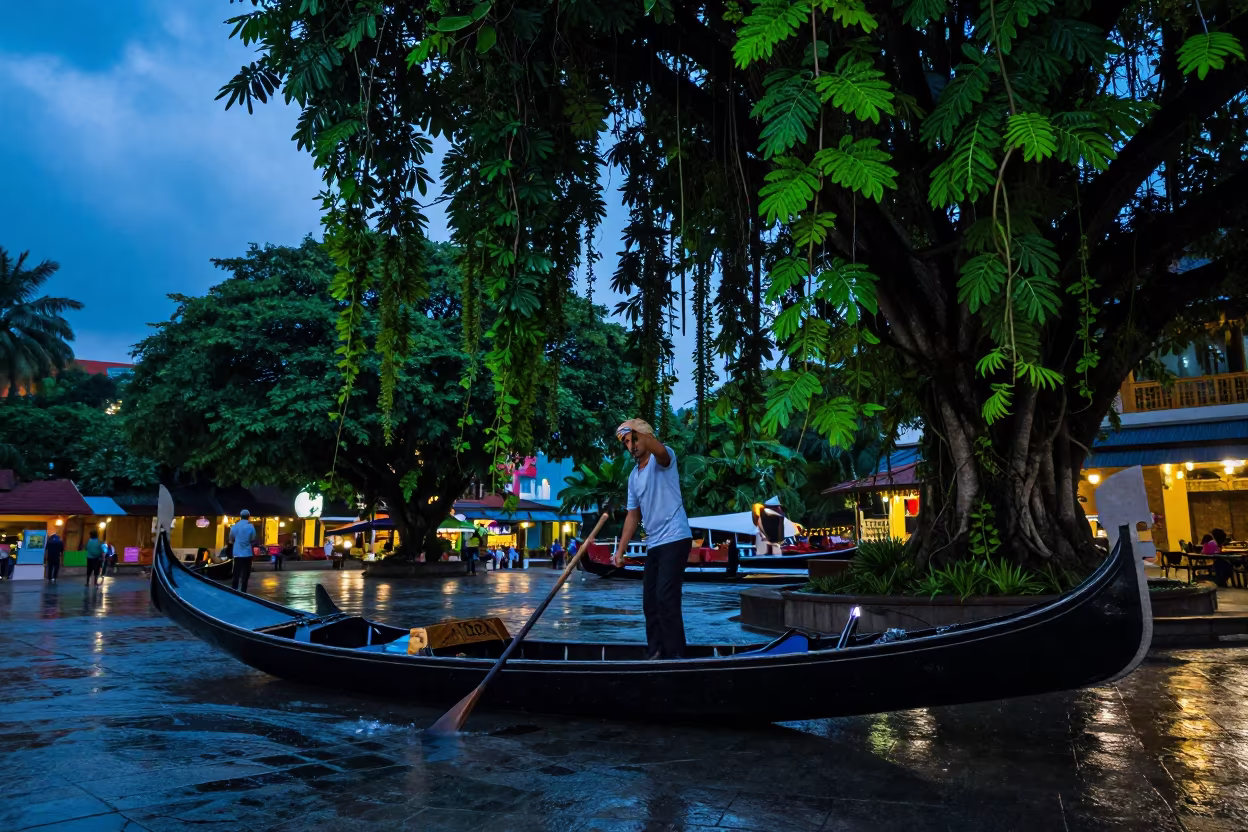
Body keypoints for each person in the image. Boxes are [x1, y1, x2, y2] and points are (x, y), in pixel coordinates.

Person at [612, 418, 692, 660]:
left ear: (643, 435)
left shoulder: (663, 459)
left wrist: (636, 431)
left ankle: (677, 654)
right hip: (655, 543)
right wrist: (620, 550)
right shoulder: (634, 477)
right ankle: (656, 651)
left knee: (666, 597)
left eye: (632, 440)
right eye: (625, 442)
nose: (630, 446)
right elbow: (632, 516)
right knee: (650, 602)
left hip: (676, 537)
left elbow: (657, 448)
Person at [229, 510, 257, 593]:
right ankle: (243, 590)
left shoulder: (235, 526)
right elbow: (253, 538)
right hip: (247, 553)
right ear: (249, 516)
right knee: (245, 574)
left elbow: (231, 538)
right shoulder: (251, 527)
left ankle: (234, 589)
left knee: (236, 572)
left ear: (240, 516)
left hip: (237, 553)